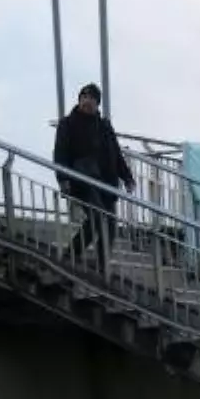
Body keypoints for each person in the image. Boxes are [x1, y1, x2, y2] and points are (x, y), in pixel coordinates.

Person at [53, 83, 135, 271]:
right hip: (82, 179)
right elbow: (60, 152)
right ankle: (70, 254)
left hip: (106, 182)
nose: (87, 101)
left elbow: (116, 154)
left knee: (110, 227)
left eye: (91, 98)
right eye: (84, 97)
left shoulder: (104, 126)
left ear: (97, 103)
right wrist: (63, 178)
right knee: (97, 218)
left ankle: (101, 265)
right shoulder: (68, 123)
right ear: (79, 99)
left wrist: (127, 178)